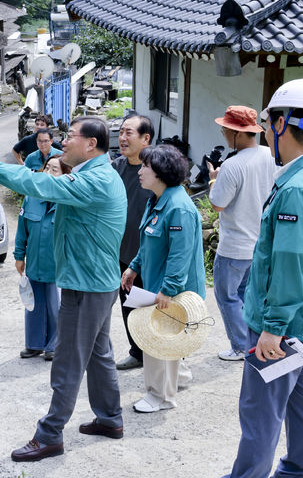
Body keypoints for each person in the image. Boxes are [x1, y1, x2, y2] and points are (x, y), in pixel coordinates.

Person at [0, 116, 127, 462]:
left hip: (86, 284)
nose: (64, 144)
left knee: (67, 361)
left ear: (91, 144)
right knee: (98, 354)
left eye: (71, 137)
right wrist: (61, 166)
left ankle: (49, 435)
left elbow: (39, 186)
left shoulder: (95, 181)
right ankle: (110, 419)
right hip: (96, 281)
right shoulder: (97, 174)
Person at [222, 78, 303, 478]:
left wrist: (272, 328)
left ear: (281, 125)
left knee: (261, 410)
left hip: (284, 328)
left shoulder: (298, 188)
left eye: (268, 122)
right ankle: (296, 470)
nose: (265, 130)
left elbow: (291, 263)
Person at [121, 145, 205, 413]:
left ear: (162, 172)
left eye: (146, 166)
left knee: (158, 342)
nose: (140, 171)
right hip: (159, 282)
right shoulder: (156, 200)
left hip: (174, 289)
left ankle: (161, 397)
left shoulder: (179, 207)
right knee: (169, 341)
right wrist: (134, 267)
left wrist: (168, 291)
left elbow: (180, 256)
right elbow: (149, 242)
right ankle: (178, 378)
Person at [207, 106, 275, 361]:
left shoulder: (232, 165)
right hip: (261, 243)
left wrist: (214, 178)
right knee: (249, 296)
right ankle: (250, 342)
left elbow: (218, 204)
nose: (224, 134)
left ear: (236, 132)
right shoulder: (271, 156)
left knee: (227, 296)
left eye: (225, 129)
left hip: (234, 245)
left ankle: (239, 346)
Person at [14, 157, 70, 362]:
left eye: (55, 170)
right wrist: (19, 256)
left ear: (65, 175)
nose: (48, 172)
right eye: (47, 167)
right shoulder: (31, 197)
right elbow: (22, 229)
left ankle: (55, 345)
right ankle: (34, 344)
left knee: (56, 306)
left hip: (58, 266)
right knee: (33, 305)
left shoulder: (67, 201)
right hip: (35, 264)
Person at [112, 114, 155, 370]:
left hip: (153, 255)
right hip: (124, 252)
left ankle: (171, 356)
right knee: (129, 303)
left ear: (145, 138)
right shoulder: (116, 168)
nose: (122, 138)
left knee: (159, 306)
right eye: (121, 133)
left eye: (129, 133)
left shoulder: (157, 167)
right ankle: (137, 352)